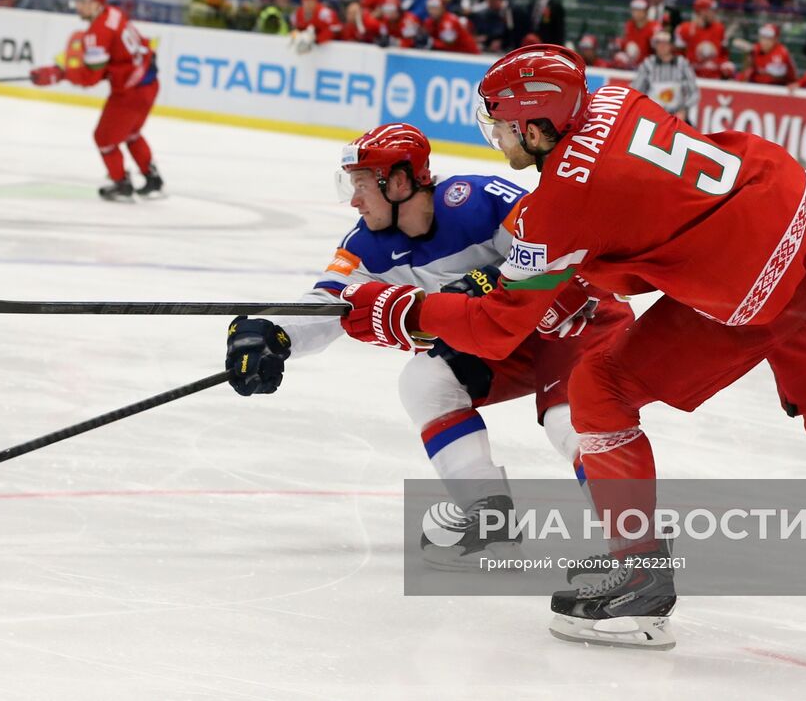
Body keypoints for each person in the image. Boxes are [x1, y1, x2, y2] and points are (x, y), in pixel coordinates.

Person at [335, 44, 806, 649]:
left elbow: (504, 324)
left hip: (756, 292)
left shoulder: (557, 204)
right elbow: (641, 222)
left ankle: (637, 580)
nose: (496, 136)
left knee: (600, 390)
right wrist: (544, 280)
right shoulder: (615, 100)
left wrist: (402, 311)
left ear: (536, 126)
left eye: (502, 122)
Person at [225, 123, 635, 568]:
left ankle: (633, 546)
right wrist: (274, 335)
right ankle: (488, 517)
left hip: (571, 315)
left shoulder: (479, 199)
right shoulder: (365, 244)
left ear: (399, 181)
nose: (354, 200)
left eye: (362, 185)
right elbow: (330, 302)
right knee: (425, 380)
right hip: (501, 334)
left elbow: (554, 246)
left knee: (567, 419)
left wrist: (489, 281)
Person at [29, 0, 162, 202]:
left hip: (130, 91)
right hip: (148, 84)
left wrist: (59, 74)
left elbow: (90, 78)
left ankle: (121, 184)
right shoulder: (114, 13)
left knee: (104, 138)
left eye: (83, 2)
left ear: (96, 4)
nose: (78, 7)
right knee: (131, 134)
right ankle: (153, 180)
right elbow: (110, 62)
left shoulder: (96, 33)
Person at [629, 31, 699, 120]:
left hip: (676, 116)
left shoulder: (682, 64)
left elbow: (694, 93)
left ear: (671, 45)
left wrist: (684, 110)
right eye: (658, 43)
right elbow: (636, 89)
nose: (662, 46)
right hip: (651, 114)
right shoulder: (648, 64)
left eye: (665, 43)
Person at [674, 0, 729, 79]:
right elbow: (678, 56)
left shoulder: (720, 28)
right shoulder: (684, 29)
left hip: (715, 78)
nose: (714, 13)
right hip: (691, 78)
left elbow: (723, 54)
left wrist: (724, 65)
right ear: (702, 11)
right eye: (712, 10)